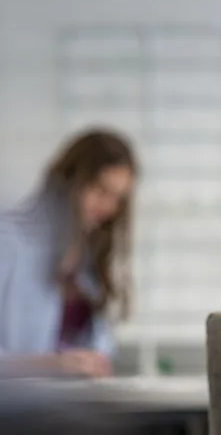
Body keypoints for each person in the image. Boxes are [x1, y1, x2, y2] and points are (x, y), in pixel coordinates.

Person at [0, 129, 136, 378]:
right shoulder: (7, 243)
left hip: (68, 408)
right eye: (100, 190)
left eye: (117, 198)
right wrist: (52, 366)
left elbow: (99, 348)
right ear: (67, 180)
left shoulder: (86, 260)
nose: (108, 207)